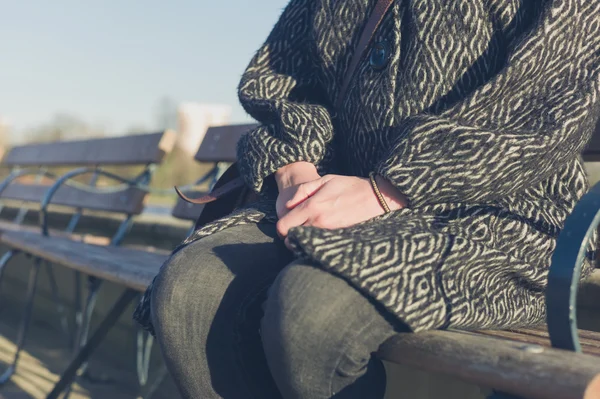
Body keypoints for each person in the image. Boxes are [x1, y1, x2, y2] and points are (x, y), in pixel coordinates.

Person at [133, 1, 600, 398]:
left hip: (500, 209)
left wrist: (390, 188)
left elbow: (549, 93)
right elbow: (288, 79)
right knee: (189, 289)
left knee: (313, 313)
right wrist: (295, 169)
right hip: (341, 193)